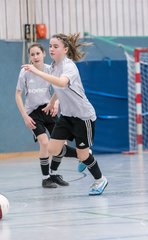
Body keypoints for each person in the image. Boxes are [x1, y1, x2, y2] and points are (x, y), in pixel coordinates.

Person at [22, 33, 108, 195]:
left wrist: (37, 72)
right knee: (52, 148)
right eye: (50, 46)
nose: (52, 49)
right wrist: (53, 101)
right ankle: (84, 155)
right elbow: (59, 88)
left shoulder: (69, 67)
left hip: (83, 117)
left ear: (65, 49)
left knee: (83, 156)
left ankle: (100, 179)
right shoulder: (54, 66)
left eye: (56, 46)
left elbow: (62, 82)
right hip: (67, 116)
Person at [15, 43, 69, 188]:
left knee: (61, 144)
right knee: (45, 143)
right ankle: (46, 178)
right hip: (33, 113)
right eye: (32, 54)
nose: (35, 56)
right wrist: (25, 117)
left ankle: (53, 173)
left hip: (48, 109)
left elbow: (59, 88)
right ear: (29, 57)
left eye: (38, 53)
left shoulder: (49, 69)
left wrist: (55, 104)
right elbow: (18, 94)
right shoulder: (25, 72)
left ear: (44, 54)